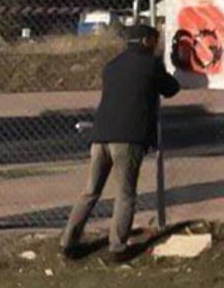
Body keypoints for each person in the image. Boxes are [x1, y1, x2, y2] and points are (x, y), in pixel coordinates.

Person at [60, 22, 180, 260]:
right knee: (125, 193)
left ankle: (68, 241)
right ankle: (117, 247)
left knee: (90, 191)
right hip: (129, 137)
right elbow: (171, 88)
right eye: (155, 41)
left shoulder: (112, 66)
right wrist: (171, 68)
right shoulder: (150, 64)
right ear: (146, 41)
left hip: (101, 135)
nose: (156, 46)